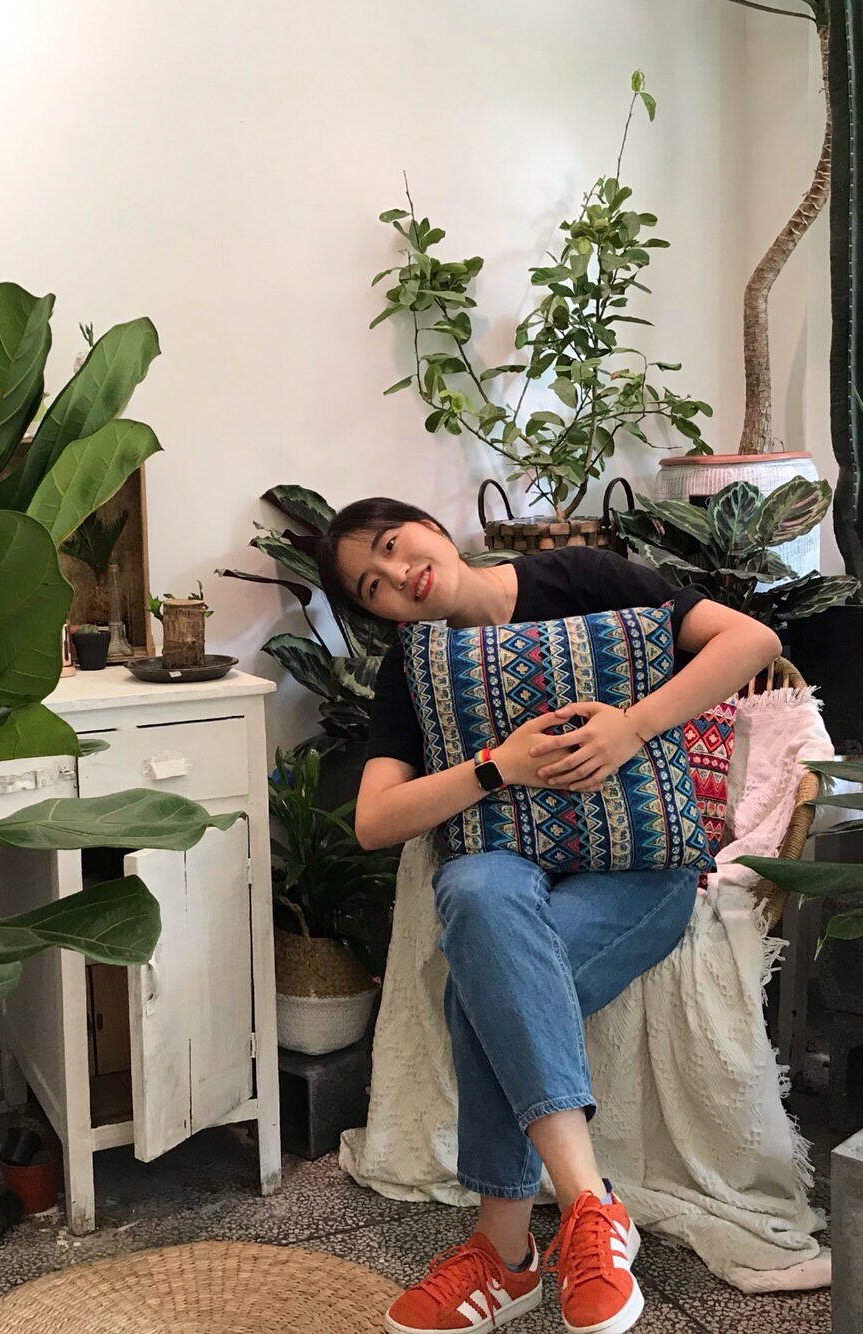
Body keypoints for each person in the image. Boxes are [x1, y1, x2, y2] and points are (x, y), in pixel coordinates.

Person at [315, 497, 781, 1334]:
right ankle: (589, 1205)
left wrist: (631, 729)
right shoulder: (416, 667)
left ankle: (504, 1253)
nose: (395, 574)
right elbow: (375, 820)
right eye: (370, 586)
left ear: (429, 526)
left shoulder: (580, 577)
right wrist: (500, 766)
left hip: (639, 871)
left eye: (391, 545)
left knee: (481, 991)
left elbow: (752, 641)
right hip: (506, 868)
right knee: (474, 890)